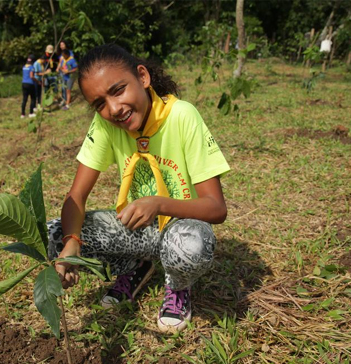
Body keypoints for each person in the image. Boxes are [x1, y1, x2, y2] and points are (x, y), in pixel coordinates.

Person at [47, 44, 230, 333]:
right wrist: (72, 241)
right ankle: (135, 267)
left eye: (118, 90)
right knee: (53, 234)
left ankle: (178, 286)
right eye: (100, 104)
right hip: (138, 229)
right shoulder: (106, 124)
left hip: (180, 227)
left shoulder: (182, 115)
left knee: (191, 246)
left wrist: (158, 204)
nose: (114, 109)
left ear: (142, 77)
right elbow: (76, 196)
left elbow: (216, 208)